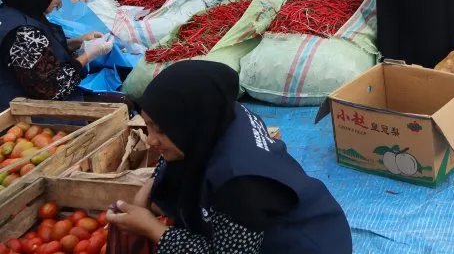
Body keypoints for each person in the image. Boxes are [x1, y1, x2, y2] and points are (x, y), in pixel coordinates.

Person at [107, 60, 352, 250]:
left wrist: (152, 229)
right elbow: (183, 149)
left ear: (188, 124)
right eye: (148, 125)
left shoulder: (241, 184)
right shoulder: (220, 116)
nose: (149, 140)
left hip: (304, 246)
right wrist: (149, 188)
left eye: (160, 130)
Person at [0, 0, 114, 104]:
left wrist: (76, 42)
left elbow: (43, 52)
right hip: (24, 108)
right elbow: (51, 90)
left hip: (32, 94)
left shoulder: (15, 10)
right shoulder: (24, 33)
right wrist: (87, 56)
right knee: (121, 102)